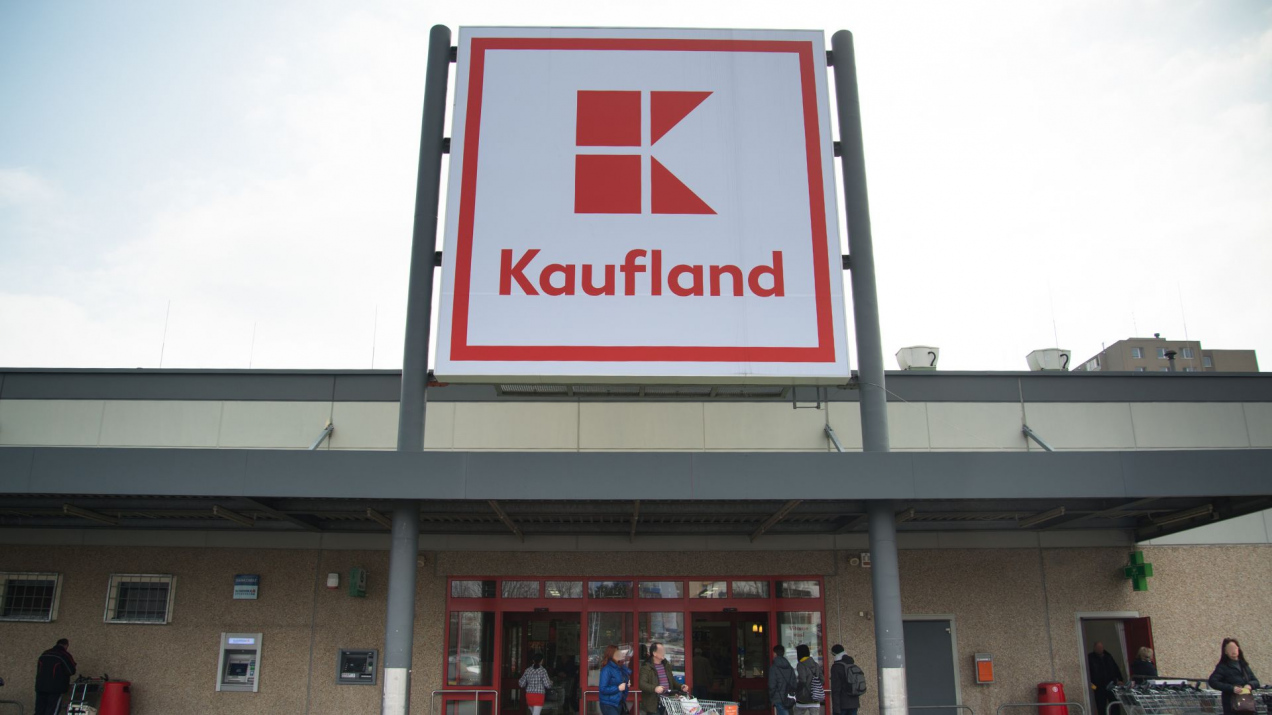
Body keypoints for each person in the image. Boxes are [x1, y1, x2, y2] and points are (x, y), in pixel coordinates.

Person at [1208, 638, 1260, 715]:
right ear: (1225, 652)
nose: (1233, 651)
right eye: (1230, 649)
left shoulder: (1244, 665)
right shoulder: (1223, 667)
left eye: (1234, 648)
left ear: (1238, 649)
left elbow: (1256, 681)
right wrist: (1232, 688)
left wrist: (1250, 685)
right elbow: (1213, 681)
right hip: (1232, 706)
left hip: (1247, 705)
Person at [641, 641, 688, 715]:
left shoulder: (666, 665)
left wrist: (681, 686)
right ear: (654, 653)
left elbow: (672, 682)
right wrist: (655, 688)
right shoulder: (646, 667)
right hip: (654, 704)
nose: (663, 652)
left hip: (668, 702)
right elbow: (642, 684)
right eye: (661, 651)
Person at [35, 638, 76, 715]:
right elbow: (71, 671)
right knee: (52, 710)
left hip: (41, 686)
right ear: (66, 645)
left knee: (39, 710)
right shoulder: (64, 655)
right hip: (55, 688)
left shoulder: (45, 654)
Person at [1088, 642, 1123, 715]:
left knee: (1114, 704)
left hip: (1111, 684)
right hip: (1098, 686)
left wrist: (1120, 679)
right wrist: (1091, 683)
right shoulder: (1090, 658)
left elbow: (1115, 668)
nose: (1100, 649)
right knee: (1101, 706)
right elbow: (1089, 671)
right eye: (1098, 648)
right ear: (1094, 648)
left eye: (1101, 648)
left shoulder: (1108, 656)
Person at [599, 645, 633, 715]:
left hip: (619, 702)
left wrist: (627, 683)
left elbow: (624, 679)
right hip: (608, 704)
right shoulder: (607, 669)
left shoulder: (620, 667)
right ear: (611, 655)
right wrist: (618, 688)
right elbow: (603, 689)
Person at [829, 645, 863, 715]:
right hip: (854, 703)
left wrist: (836, 708)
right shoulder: (852, 664)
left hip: (842, 704)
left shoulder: (836, 667)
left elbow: (836, 689)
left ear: (834, 654)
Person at [795, 644, 824, 714]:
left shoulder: (800, 665)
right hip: (815, 698)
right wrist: (815, 687)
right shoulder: (816, 664)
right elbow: (822, 679)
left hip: (802, 698)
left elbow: (803, 680)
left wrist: (797, 689)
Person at [769, 645, 798, 715]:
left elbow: (771, 685)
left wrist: (772, 697)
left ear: (775, 653)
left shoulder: (773, 668)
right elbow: (794, 683)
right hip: (789, 697)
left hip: (778, 698)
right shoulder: (790, 667)